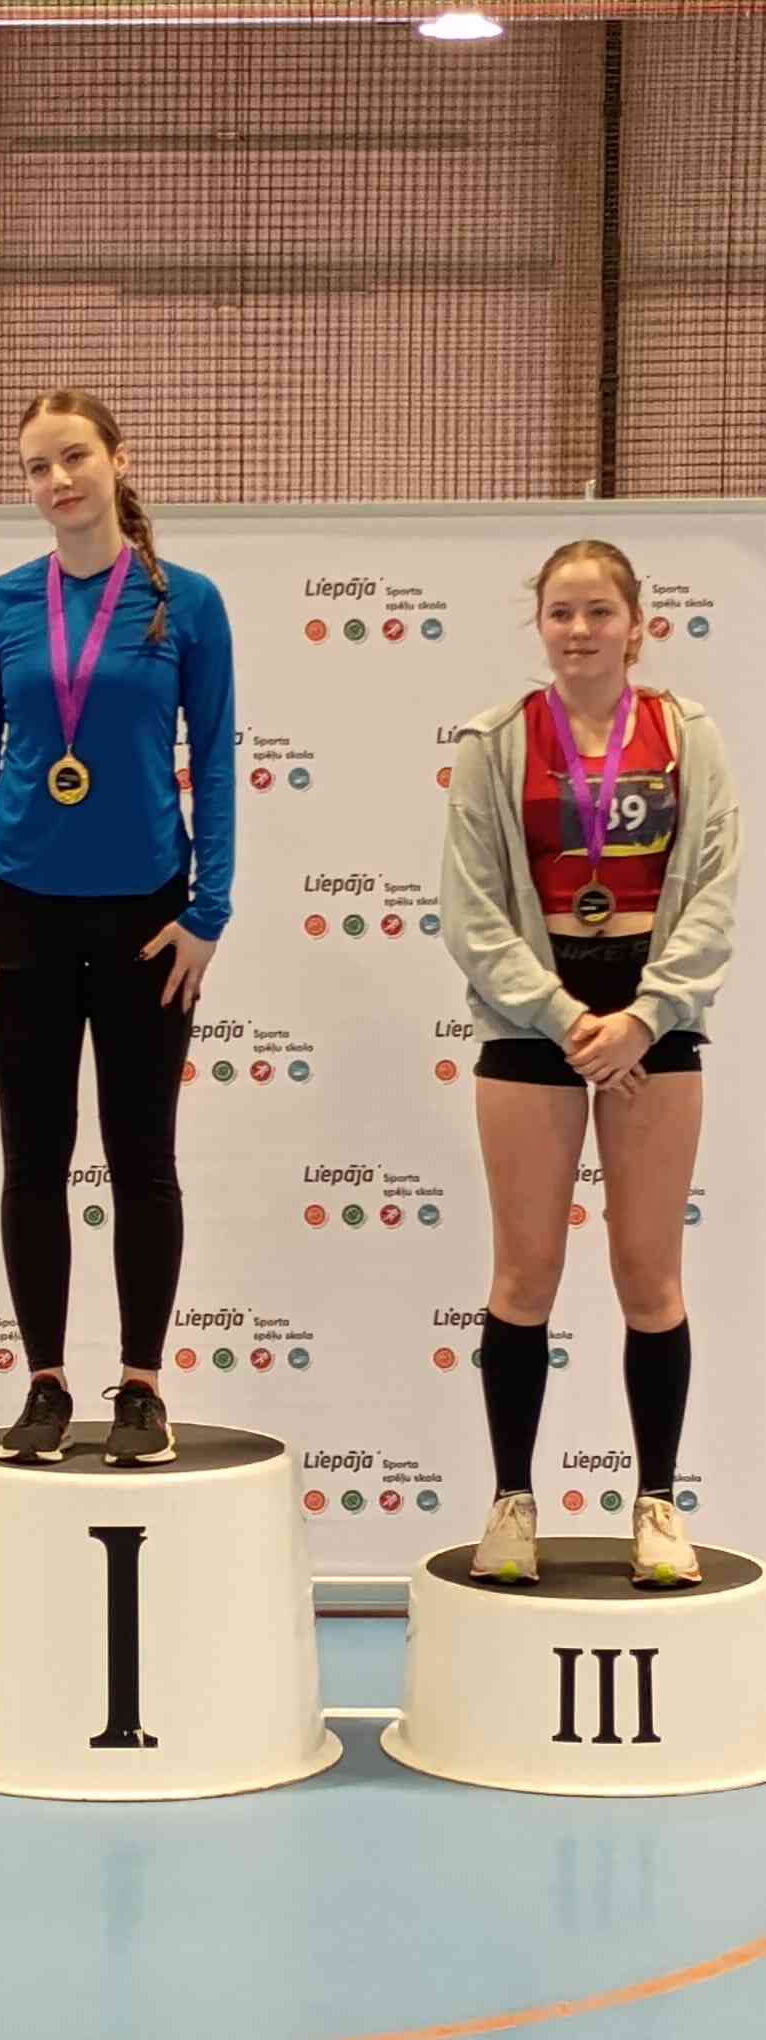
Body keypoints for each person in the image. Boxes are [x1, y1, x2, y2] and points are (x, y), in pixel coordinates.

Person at [0, 390, 235, 1468]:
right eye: (37, 466)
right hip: (17, 911)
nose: (57, 481)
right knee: (33, 1158)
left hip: (146, 917)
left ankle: (142, 1388)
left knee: (142, 1155)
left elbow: (216, 760)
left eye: (73, 457)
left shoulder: (185, 602)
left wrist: (208, 908)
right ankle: (46, 1383)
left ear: (119, 460)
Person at [442, 539, 739, 1588]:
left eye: (599, 611)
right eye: (561, 612)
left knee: (649, 1275)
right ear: (540, 626)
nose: (579, 631)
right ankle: (511, 1503)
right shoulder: (494, 743)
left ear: (637, 625)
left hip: (654, 1025)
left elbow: (713, 896)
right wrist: (571, 1018)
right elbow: (471, 911)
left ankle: (656, 1504)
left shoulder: (688, 737)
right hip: (536, 1023)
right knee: (524, 1275)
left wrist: (645, 1017)